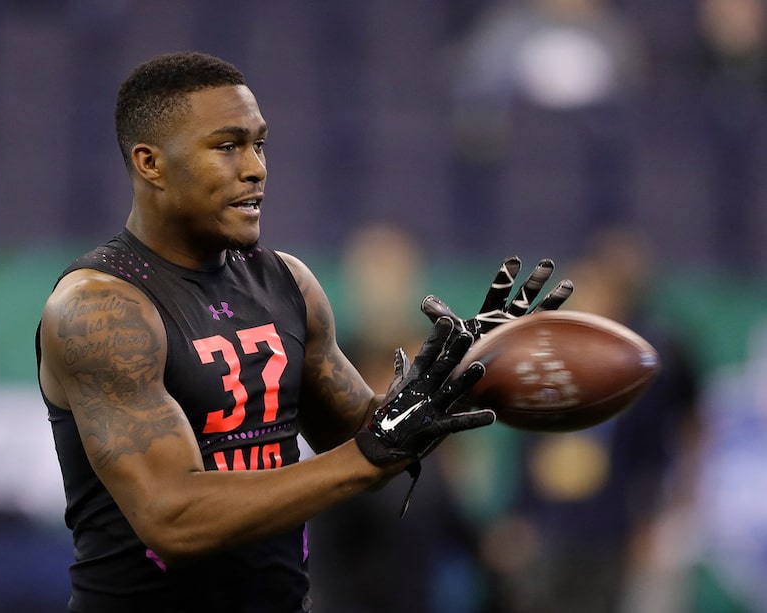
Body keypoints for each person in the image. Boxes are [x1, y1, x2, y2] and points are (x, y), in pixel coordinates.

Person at [34, 51, 573, 612]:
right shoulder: (101, 308)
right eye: (227, 146)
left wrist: (457, 377)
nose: (256, 168)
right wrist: (372, 451)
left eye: (259, 144)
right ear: (151, 163)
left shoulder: (288, 284)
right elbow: (172, 516)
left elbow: (371, 441)